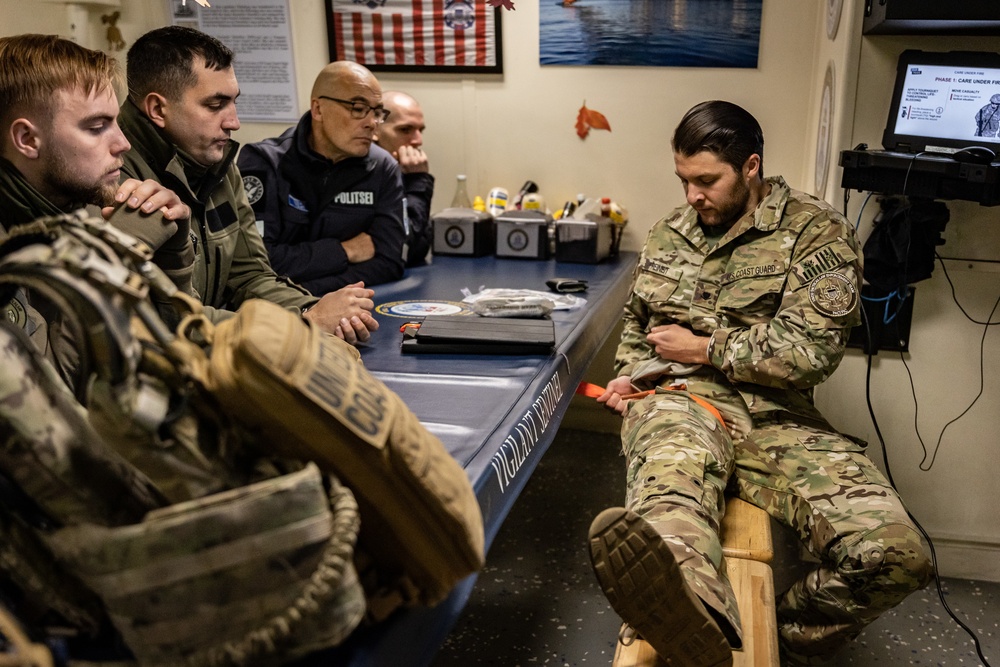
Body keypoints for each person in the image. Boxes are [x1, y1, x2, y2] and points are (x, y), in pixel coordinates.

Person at [588, 101, 932, 667]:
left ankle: (775, 637)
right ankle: (690, 616)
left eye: (706, 181)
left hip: (778, 416)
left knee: (896, 554)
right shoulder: (668, 234)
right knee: (672, 502)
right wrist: (627, 378)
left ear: (751, 168)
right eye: (683, 180)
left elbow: (812, 353)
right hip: (678, 399)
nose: (693, 196)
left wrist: (706, 347)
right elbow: (639, 323)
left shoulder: (815, 232)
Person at [119, 26, 377, 343]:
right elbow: (158, 315)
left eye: (233, 102)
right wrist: (302, 325)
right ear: (158, 109)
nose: (234, 122)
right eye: (216, 105)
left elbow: (248, 275)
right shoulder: (116, 177)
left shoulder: (216, 163)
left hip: (216, 352)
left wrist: (314, 311)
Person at [0, 33, 194, 360]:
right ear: (27, 139)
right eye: (96, 127)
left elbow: (173, 349)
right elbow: (54, 395)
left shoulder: (84, 210)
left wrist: (172, 258)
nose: (122, 143)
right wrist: (112, 256)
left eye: (116, 122)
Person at [238, 61, 406, 294]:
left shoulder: (382, 167)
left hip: (347, 305)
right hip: (275, 310)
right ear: (318, 109)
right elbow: (259, 262)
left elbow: (389, 262)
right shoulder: (264, 162)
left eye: (378, 112)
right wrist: (344, 251)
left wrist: (307, 290)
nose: (372, 124)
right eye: (358, 108)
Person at [374, 90, 434, 266]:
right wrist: (418, 181)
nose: (418, 140)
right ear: (375, 129)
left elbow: (418, 247)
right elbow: (404, 248)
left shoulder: (400, 172)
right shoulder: (365, 176)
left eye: (420, 130)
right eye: (405, 129)